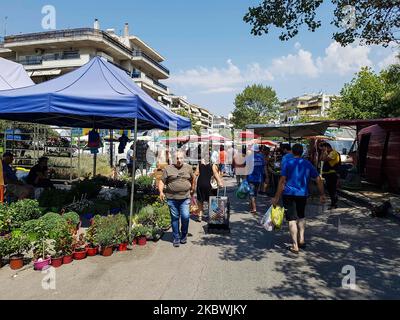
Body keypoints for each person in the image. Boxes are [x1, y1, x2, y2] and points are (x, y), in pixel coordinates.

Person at [272, 144, 325, 254]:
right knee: (301, 215)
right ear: (301, 152)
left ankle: (295, 245)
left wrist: (276, 197)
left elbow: (282, 181)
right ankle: (302, 239)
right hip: (302, 194)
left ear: (292, 152)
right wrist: (322, 194)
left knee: (291, 219)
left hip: (288, 193)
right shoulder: (308, 164)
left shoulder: (287, 163)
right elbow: (318, 179)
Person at [159, 150, 196, 247]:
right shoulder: (168, 169)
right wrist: (161, 192)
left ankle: (184, 235)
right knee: (174, 218)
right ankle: (176, 237)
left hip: (185, 197)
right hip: (172, 198)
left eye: (181, 158)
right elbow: (162, 181)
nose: (179, 160)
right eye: (177, 158)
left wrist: (192, 188)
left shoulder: (188, 167)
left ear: (184, 158)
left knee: (185, 217)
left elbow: (193, 178)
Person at [194, 150, 224, 222]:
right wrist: (220, 182)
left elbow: (196, 173)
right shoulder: (212, 165)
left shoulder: (199, 164)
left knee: (200, 200)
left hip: (200, 184)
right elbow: (216, 174)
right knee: (211, 201)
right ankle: (212, 216)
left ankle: (200, 216)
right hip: (209, 185)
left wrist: (193, 183)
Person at [246, 144, 268, 215]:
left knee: (252, 193)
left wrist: (244, 177)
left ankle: (254, 208)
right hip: (259, 178)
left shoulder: (249, 157)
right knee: (255, 193)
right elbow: (264, 168)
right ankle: (251, 205)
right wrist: (267, 176)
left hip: (251, 178)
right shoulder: (261, 157)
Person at [321, 142, 341, 209]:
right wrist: (323, 152)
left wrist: (325, 152)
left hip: (332, 174)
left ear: (326, 147)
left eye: (323, 147)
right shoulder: (327, 153)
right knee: (330, 189)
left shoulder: (334, 153)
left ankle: (334, 204)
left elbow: (326, 159)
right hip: (328, 174)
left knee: (332, 189)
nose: (322, 149)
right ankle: (333, 203)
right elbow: (321, 159)